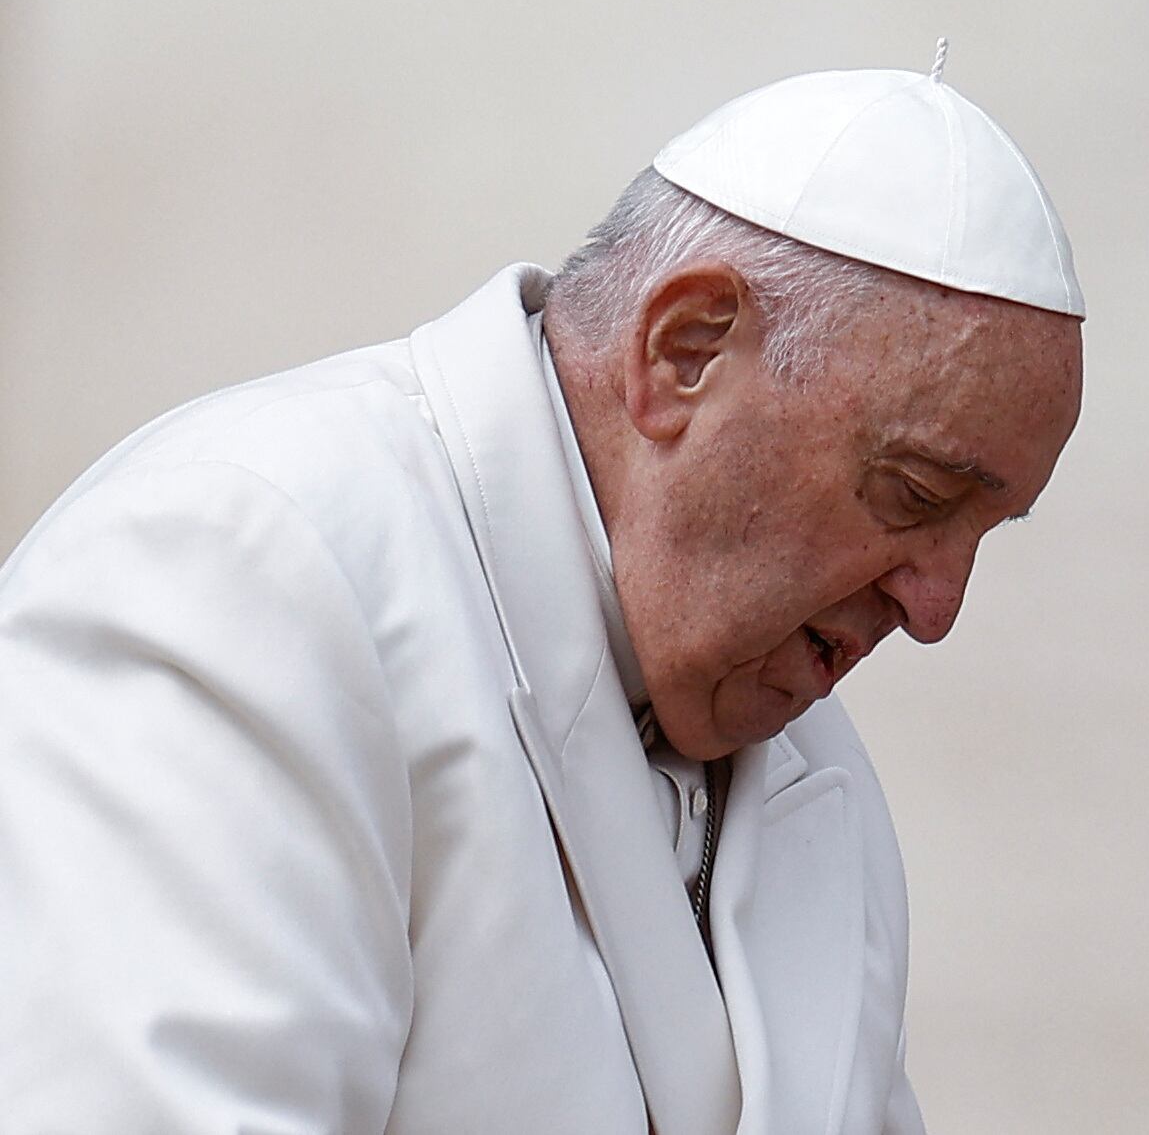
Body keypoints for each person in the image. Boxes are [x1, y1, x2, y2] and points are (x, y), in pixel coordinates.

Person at [0, 65, 1086, 1134]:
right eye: (915, 494)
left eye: (981, 535)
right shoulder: (242, 578)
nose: (937, 607)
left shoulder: (821, 774)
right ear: (685, 350)